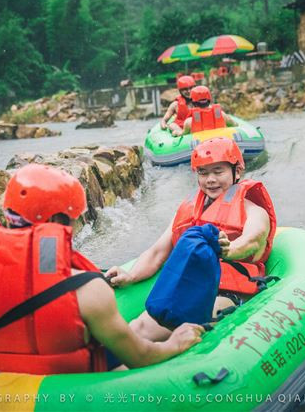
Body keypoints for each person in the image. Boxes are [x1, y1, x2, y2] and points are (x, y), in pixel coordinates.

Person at [0, 164, 204, 374]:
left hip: (5, 380)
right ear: (58, 221)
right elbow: (141, 357)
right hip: (75, 388)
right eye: (75, 217)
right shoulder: (87, 289)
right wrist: (175, 343)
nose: (77, 223)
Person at [105, 138, 277, 341]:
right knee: (137, 328)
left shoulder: (253, 211)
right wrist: (131, 276)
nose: (210, 179)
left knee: (161, 330)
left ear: (237, 171)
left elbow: (253, 241)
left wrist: (228, 250)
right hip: (188, 286)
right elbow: (158, 252)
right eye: (203, 172)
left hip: (228, 293)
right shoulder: (189, 210)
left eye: (218, 171)